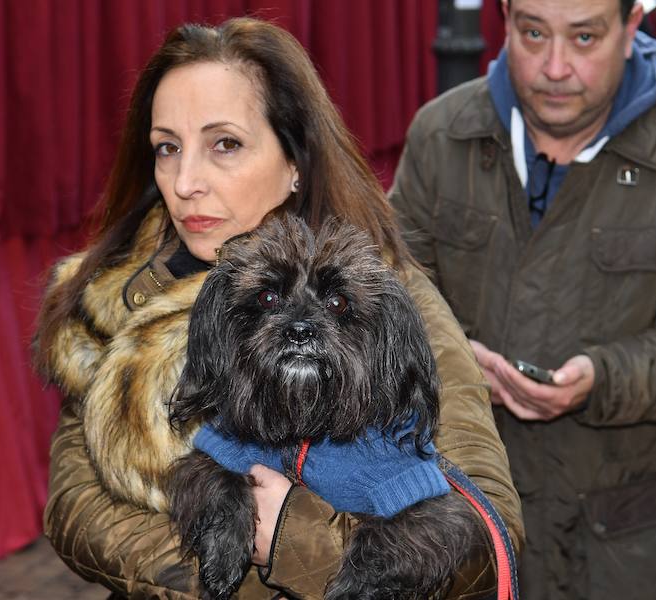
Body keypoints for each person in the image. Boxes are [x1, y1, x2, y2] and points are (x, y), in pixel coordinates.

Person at [32, 17, 523, 600]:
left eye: (225, 144)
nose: (185, 180)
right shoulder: (113, 295)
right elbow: (74, 509)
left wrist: (288, 541)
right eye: (168, 148)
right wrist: (223, 565)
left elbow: (485, 551)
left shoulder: (386, 299)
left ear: (295, 161)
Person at [389, 0, 656, 598]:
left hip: (632, 553)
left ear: (632, 25)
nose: (554, 67)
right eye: (533, 33)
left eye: (584, 38)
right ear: (503, 17)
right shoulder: (440, 134)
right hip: (464, 533)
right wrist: (449, 357)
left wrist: (605, 378)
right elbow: (392, 291)